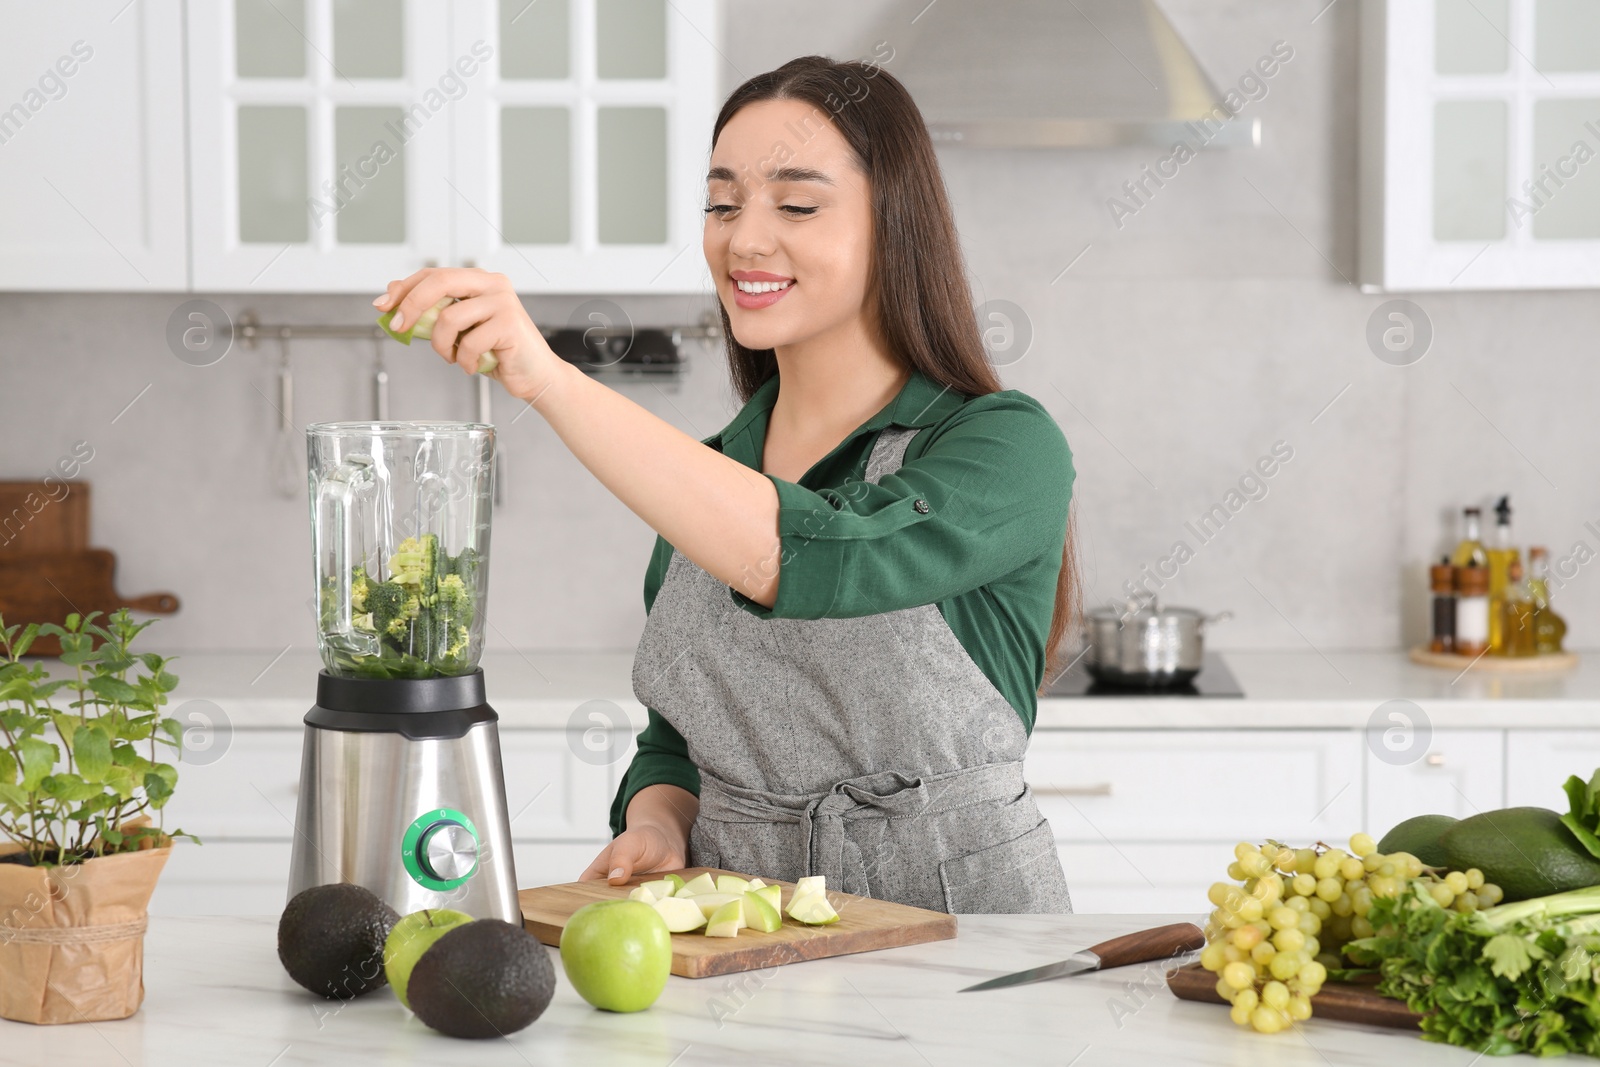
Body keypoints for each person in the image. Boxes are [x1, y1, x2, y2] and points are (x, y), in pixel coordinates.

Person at [374, 55, 1078, 913]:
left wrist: (548, 377)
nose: (744, 238)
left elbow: (813, 554)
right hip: (738, 932)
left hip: (966, 941)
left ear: (894, 227)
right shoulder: (710, 482)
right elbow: (677, 741)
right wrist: (660, 820)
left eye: (797, 204)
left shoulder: (1003, 446)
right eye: (722, 203)